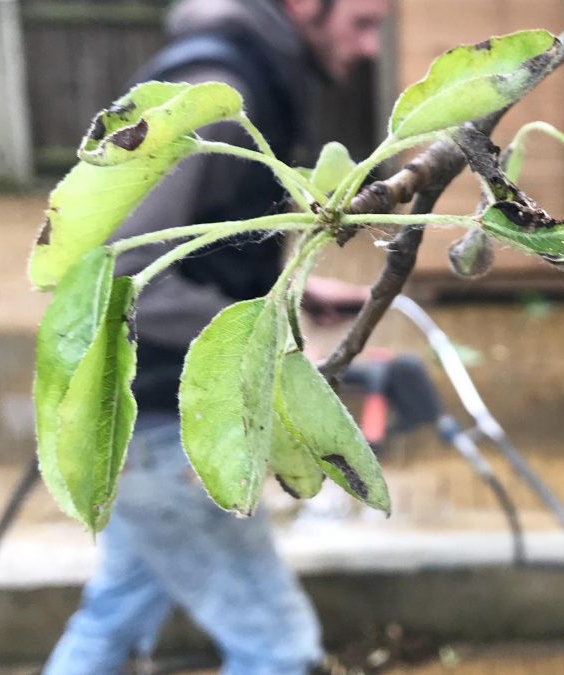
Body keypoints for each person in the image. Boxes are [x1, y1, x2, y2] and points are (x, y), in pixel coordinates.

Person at [43, 1, 392, 673]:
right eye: (361, 20)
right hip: (163, 428)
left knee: (115, 612)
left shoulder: (257, 75)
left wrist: (292, 290)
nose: (370, 46)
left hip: (144, 433)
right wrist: (263, 332)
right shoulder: (214, 95)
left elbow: (199, 244)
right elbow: (120, 275)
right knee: (278, 650)